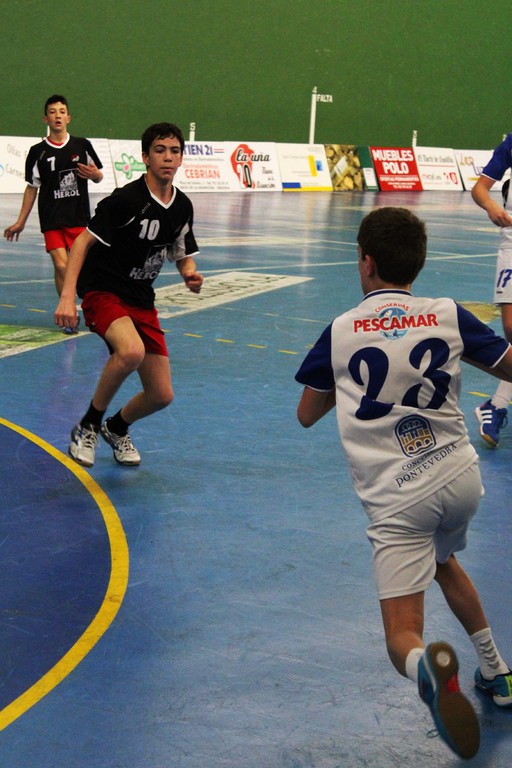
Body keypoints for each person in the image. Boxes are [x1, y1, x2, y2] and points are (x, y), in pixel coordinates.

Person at [295, 207, 512, 759]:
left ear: (365, 263)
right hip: (460, 478)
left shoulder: (340, 330)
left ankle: (426, 672)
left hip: (399, 497)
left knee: (401, 636)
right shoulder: (447, 313)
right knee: (442, 559)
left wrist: (353, 379)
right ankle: (498, 671)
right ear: (419, 263)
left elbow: (306, 414)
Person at [54, 122, 203, 468]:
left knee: (161, 394)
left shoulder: (182, 206)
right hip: (104, 291)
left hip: (141, 299)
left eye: (175, 151)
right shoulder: (125, 200)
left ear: (182, 158)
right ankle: (88, 425)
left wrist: (189, 273)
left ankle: (116, 427)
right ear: (145, 157)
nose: (168, 157)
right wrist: (67, 297)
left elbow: (181, 253)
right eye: (160, 151)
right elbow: (81, 243)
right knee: (131, 351)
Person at [4, 94, 104, 333]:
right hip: (51, 220)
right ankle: (70, 313)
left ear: (68, 118)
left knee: (82, 269)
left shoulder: (82, 145)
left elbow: (98, 175)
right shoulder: (37, 152)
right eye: (52, 112)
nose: (57, 116)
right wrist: (20, 222)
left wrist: (95, 175)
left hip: (78, 218)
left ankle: (96, 309)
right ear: (45, 119)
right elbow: (32, 188)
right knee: (61, 266)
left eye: (62, 112)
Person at [471, 138, 512, 447]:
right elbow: (480, 189)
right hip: (511, 243)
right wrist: (491, 206)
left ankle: (496, 406)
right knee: (511, 328)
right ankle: (495, 405)